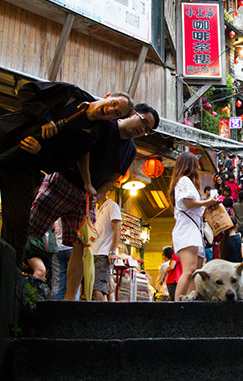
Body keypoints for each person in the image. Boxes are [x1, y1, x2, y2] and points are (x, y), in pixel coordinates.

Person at [26, 103, 159, 300]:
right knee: (31, 228)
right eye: (144, 122)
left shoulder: (130, 149)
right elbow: (83, 150)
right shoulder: (106, 124)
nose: (143, 129)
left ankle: (71, 298)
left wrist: (98, 193)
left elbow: (113, 176)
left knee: (82, 244)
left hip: (86, 196)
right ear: (133, 113)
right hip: (64, 179)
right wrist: (88, 182)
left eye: (147, 130)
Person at [0, 80, 133, 267]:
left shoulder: (91, 136)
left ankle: (6, 279)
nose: (110, 110)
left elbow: (56, 164)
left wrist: (39, 152)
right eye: (114, 104)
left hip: (26, 167)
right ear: (108, 96)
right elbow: (27, 91)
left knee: (19, 227)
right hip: (4, 137)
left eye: (116, 113)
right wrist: (45, 118)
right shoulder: (70, 94)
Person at [168, 152, 220, 300]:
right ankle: (178, 304)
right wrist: (207, 202)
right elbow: (187, 202)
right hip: (187, 230)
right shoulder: (184, 180)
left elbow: (192, 206)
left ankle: (190, 302)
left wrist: (208, 205)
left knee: (195, 272)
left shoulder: (185, 182)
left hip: (191, 230)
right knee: (190, 271)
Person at [90, 196, 122, 302]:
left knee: (98, 289)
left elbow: (117, 227)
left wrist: (113, 251)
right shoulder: (98, 210)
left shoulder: (111, 206)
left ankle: (105, 316)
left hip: (103, 254)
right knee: (96, 289)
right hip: (93, 253)